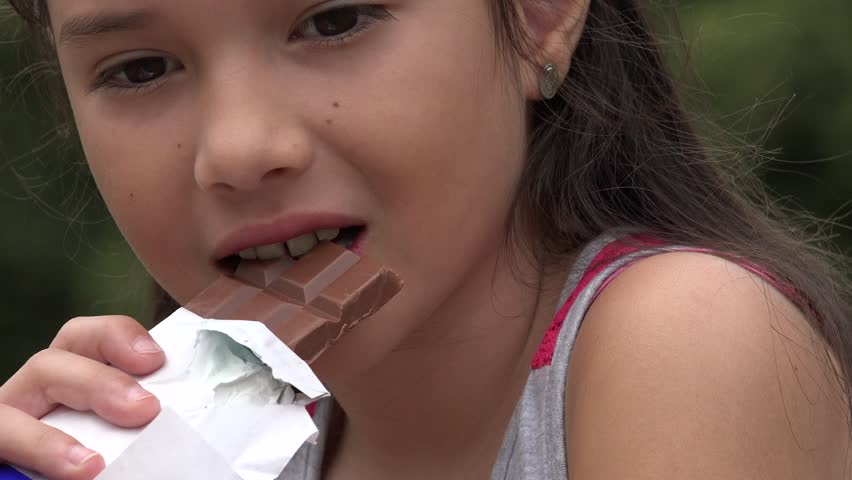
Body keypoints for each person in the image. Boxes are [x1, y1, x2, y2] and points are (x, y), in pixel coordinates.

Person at [1, 0, 850, 479]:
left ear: (537, 17)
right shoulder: (204, 450)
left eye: (335, 21)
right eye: (139, 69)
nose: (240, 150)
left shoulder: (691, 339)